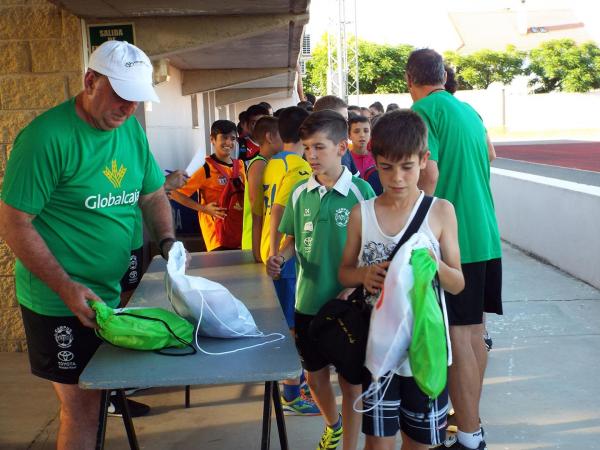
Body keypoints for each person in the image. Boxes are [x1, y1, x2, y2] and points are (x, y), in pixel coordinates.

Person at [0, 40, 176, 450]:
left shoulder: (128, 128)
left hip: (106, 295)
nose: (129, 108)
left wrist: (167, 242)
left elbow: (152, 194)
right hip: (58, 301)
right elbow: (13, 223)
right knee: (82, 409)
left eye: (136, 99)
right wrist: (65, 287)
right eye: (121, 96)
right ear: (90, 80)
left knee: (100, 399)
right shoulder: (45, 138)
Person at [338, 109, 464, 450]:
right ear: (374, 161)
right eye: (386, 167)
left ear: (423, 160)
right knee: (378, 443)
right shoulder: (360, 213)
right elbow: (344, 272)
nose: (397, 178)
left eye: (407, 166)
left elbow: (457, 283)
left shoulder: (440, 212)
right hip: (378, 351)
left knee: (420, 444)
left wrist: (435, 265)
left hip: (426, 350)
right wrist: (364, 275)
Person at [407, 48, 502, 450]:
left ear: (411, 80)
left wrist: (413, 222)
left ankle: (468, 434)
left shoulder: (425, 111)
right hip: (486, 235)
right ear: (444, 76)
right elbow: (491, 156)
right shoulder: (471, 113)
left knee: (459, 338)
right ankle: (471, 423)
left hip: (453, 242)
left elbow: (430, 170)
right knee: (475, 333)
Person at [267, 110, 375, 450]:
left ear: (341, 147)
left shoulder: (361, 191)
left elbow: (372, 249)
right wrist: (280, 258)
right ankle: (334, 424)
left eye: (319, 148)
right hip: (308, 303)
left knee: (351, 384)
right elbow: (293, 241)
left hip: (348, 308)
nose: (310, 156)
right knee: (313, 378)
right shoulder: (300, 193)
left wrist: (354, 285)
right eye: (307, 148)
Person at [259, 107, 319, 415]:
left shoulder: (274, 163)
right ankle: (293, 393)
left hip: (276, 253)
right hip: (285, 257)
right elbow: (280, 211)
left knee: (290, 325)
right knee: (291, 327)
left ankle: (297, 383)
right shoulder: (297, 168)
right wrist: (275, 251)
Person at [170, 120, 246, 252]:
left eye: (233, 139)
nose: (229, 143)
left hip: (239, 231)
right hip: (216, 235)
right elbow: (174, 193)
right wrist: (204, 209)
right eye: (224, 138)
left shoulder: (240, 166)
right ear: (212, 139)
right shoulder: (204, 167)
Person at [241, 116, 282, 259]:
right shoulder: (259, 164)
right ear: (269, 137)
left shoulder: (273, 163)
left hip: (265, 241)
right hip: (255, 243)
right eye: (282, 135)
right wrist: (257, 252)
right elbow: (256, 209)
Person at [313, 95, 359, 176]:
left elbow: (357, 180)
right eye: (341, 120)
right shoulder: (310, 154)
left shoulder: (343, 148)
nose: (346, 125)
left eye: (346, 120)